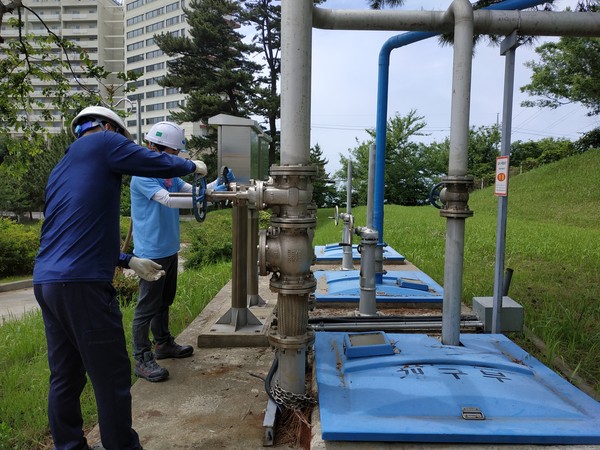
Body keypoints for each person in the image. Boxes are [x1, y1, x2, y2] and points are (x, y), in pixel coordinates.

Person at [33, 106, 208, 450]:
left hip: (48, 282)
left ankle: (68, 446)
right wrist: (191, 165)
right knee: (111, 375)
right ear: (108, 127)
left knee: (65, 376)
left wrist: (128, 259)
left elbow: (70, 232)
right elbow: (152, 161)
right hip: (83, 285)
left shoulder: (62, 168)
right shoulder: (103, 142)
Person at [129, 121, 235, 382]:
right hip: (150, 253)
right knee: (146, 308)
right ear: (152, 146)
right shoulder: (142, 174)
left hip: (168, 248)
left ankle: (163, 344)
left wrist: (217, 186)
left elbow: (192, 191)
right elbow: (167, 199)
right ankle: (141, 358)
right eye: (169, 152)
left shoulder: (168, 174)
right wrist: (202, 197)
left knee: (164, 301)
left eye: (175, 154)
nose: (171, 158)